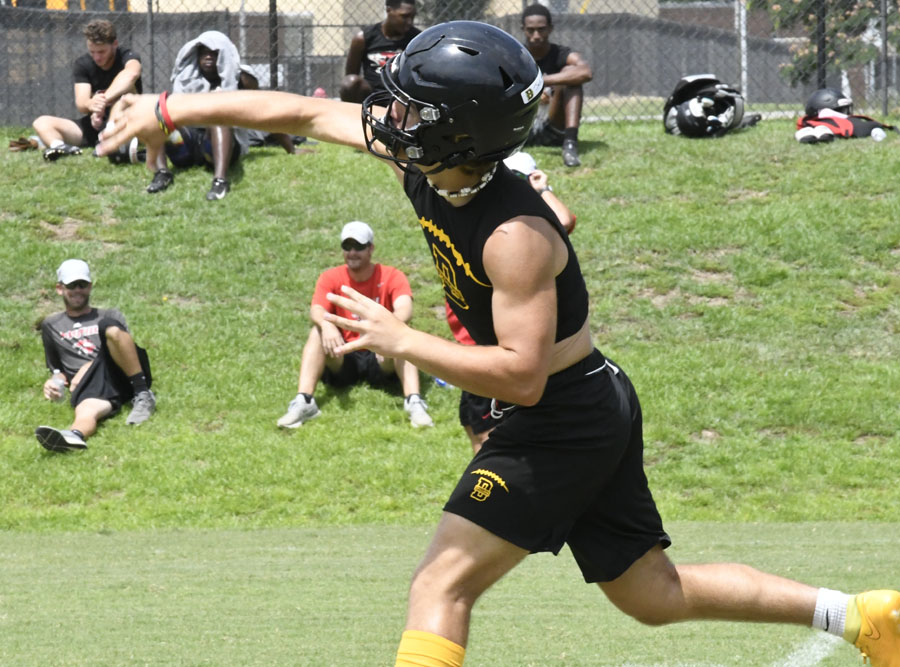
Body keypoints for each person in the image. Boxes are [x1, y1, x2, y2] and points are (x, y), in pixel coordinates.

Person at [97, 20, 900, 667]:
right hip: (581, 399)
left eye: (411, 106)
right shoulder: (434, 160)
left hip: (558, 411)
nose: (390, 115)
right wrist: (169, 110)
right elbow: (303, 113)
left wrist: (399, 337)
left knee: (440, 584)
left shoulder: (514, 235)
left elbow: (519, 375)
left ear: (457, 131)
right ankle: (865, 617)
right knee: (650, 593)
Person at [449, 150, 575, 454]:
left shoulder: (531, 233)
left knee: (495, 447)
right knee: (481, 437)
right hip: (479, 350)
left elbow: (565, 221)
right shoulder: (490, 224)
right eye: (512, 179)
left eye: (522, 179)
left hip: (496, 355)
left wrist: (542, 189)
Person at [276, 221, 434, 429]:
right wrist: (328, 325)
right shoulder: (330, 277)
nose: (352, 252)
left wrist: (387, 333)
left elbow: (405, 309)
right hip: (344, 354)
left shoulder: (392, 276)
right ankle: (304, 401)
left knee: (405, 332)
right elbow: (316, 310)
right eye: (347, 246)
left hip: (381, 356)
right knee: (317, 331)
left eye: (359, 247)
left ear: (371, 248)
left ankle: (414, 402)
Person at [35, 259, 156, 453]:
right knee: (85, 409)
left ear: (90, 287)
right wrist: (54, 382)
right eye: (71, 285)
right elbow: (58, 369)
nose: (77, 290)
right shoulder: (51, 325)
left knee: (108, 328)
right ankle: (73, 436)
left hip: (120, 372)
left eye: (82, 285)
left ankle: (142, 393)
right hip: (91, 386)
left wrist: (87, 367)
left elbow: (123, 346)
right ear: (59, 288)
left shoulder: (108, 315)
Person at [145, 30, 248, 200]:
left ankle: (220, 181)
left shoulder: (238, 76)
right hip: (186, 149)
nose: (208, 57)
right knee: (160, 113)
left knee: (218, 115)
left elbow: (254, 88)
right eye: (204, 53)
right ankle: (162, 172)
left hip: (214, 149)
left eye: (214, 54)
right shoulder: (187, 79)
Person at [31, 20, 142, 162]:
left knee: (128, 91)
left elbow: (131, 74)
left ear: (114, 44)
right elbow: (82, 103)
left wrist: (103, 100)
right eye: (92, 52)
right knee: (41, 122)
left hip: (125, 123)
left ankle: (113, 141)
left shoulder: (128, 56)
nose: (97, 57)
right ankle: (61, 147)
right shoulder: (83, 64)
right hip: (94, 126)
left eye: (101, 51)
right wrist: (92, 106)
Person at [521, 3, 592, 168]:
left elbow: (586, 72)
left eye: (541, 29)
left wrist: (542, 83)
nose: (536, 35)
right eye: (531, 30)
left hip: (553, 128)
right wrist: (535, 96)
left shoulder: (560, 53)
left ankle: (570, 144)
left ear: (550, 29)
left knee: (571, 76)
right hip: (523, 128)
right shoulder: (518, 55)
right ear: (523, 29)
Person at [339, 0, 419, 104]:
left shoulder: (416, 39)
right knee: (350, 82)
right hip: (372, 95)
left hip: (403, 96)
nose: (409, 22)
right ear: (389, 10)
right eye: (404, 16)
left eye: (412, 17)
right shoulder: (363, 38)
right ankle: (354, 117)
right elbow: (350, 75)